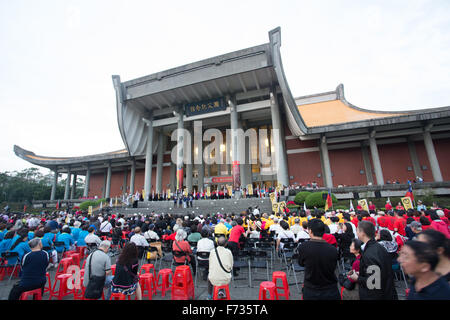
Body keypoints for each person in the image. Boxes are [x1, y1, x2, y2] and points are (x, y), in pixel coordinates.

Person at [349, 220, 397, 300]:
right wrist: (362, 273)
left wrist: (357, 278)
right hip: (387, 291)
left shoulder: (369, 253)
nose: (356, 233)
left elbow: (374, 282)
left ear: (362, 233)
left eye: (357, 230)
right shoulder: (378, 247)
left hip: (376, 295)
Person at [297, 219, 340, 300]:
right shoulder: (332, 249)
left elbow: (301, 263)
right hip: (330, 289)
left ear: (310, 231)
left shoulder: (303, 247)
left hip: (311, 289)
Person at [207, 235, 233, 300]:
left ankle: (209, 296)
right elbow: (231, 265)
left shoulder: (212, 252)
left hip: (213, 278)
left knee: (210, 277)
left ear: (217, 243)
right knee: (222, 275)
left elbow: (210, 264)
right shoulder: (228, 252)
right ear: (226, 244)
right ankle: (221, 292)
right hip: (226, 279)